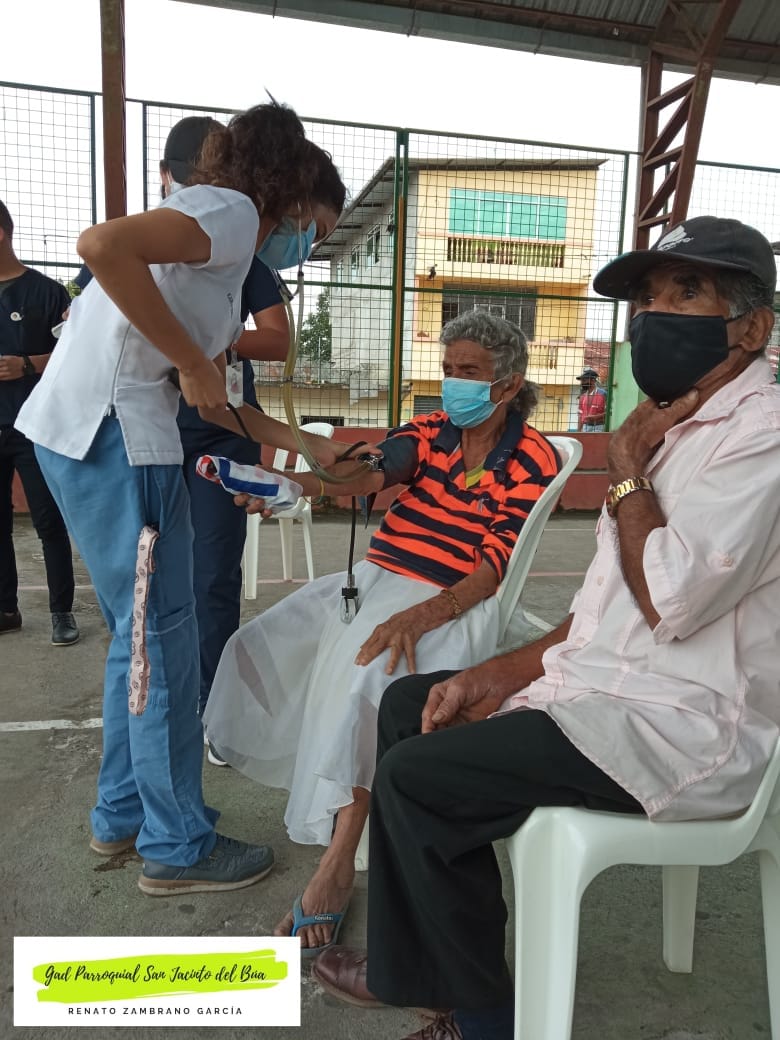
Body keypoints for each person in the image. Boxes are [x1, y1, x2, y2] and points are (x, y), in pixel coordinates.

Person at [309, 215, 780, 1040]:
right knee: (409, 705)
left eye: (686, 293)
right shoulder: (675, 422)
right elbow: (602, 614)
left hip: (684, 721)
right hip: (613, 691)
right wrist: (498, 674)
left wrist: (625, 471)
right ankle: (426, 973)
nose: (653, 315)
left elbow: (668, 600)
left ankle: (482, 1021)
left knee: (419, 778)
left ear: (752, 327)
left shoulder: (760, 438)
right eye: (645, 298)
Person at [15, 101, 347, 897]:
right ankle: (177, 845)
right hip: (119, 440)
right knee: (165, 643)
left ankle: (122, 814)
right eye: (315, 231)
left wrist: (306, 447)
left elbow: (216, 401)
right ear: (294, 197)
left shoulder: (217, 261)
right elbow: (102, 246)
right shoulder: (232, 213)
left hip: (83, 435)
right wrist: (189, 361)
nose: (307, 248)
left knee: (138, 638)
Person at [203, 309, 560, 953]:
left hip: (451, 599)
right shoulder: (428, 430)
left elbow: (492, 568)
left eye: (469, 371)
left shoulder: (529, 457)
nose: (454, 383)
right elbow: (371, 471)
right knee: (259, 644)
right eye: (448, 369)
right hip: (377, 577)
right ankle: (331, 789)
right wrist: (292, 486)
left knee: (369, 682)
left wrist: (420, 616)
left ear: (508, 384)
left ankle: (337, 864)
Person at [76, 116, 292, 744]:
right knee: (152, 618)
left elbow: (249, 365)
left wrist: (206, 352)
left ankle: (205, 717)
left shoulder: (233, 254)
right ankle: (169, 772)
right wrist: (191, 356)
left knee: (192, 590)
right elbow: (100, 259)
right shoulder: (203, 224)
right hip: (136, 436)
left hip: (199, 432)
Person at [0, 200, 79, 646]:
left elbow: (75, 351)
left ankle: (61, 612)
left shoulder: (47, 293)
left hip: (34, 426)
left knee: (48, 521)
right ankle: (6, 609)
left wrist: (27, 364)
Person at [576, 366, 606, 431]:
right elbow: (580, 416)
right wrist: (578, 432)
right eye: (581, 381)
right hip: (585, 427)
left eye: (584, 380)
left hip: (599, 426)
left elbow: (609, 413)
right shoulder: (582, 397)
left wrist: (595, 417)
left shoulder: (603, 394)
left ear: (593, 380)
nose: (582, 383)